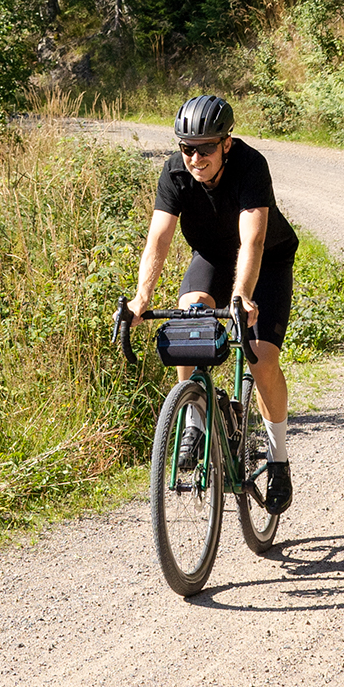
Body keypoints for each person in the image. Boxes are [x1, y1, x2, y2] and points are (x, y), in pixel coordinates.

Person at [126, 94, 296, 514]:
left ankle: (277, 458)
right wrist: (141, 298)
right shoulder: (174, 173)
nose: (194, 157)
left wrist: (241, 296)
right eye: (187, 147)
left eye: (205, 147)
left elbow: (252, 240)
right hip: (211, 257)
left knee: (261, 358)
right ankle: (195, 420)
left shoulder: (251, 166)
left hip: (266, 261)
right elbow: (159, 240)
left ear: (226, 143)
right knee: (189, 318)